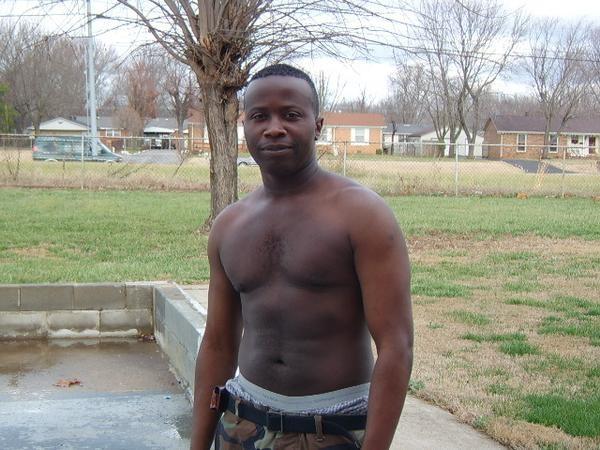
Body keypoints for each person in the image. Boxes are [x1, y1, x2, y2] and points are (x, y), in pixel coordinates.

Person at [190, 64, 413, 450]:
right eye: (259, 116)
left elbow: (396, 345)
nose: (274, 128)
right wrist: (198, 444)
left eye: (291, 115)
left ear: (318, 125)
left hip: (334, 427)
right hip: (243, 424)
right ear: (245, 126)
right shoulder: (229, 226)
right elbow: (218, 344)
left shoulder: (362, 215)